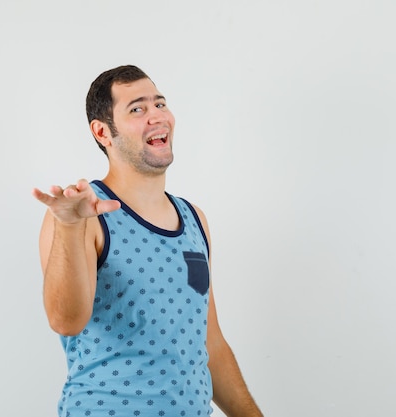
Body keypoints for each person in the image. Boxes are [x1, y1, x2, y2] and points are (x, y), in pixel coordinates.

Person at [32, 65, 263, 417]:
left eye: (160, 103)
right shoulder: (80, 214)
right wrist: (67, 224)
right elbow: (66, 321)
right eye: (137, 109)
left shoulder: (194, 219)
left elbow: (209, 344)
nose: (156, 116)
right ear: (103, 132)